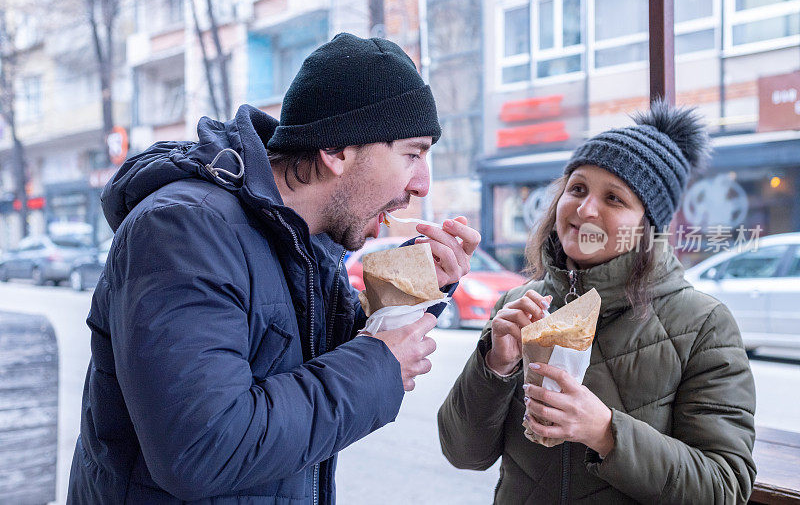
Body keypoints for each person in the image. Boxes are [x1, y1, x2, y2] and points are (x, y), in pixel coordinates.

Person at [67, 33, 480, 504]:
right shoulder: (184, 231)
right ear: (338, 150)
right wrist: (380, 365)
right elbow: (202, 449)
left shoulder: (301, 240)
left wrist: (418, 288)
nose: (423, 185)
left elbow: (303, 369)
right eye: (413, 153)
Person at [437, 101, 756, 504]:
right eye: (578, 189)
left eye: (615, 199)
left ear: (647, 225)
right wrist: (495, 366)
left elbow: (723, 488)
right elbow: (462, 453)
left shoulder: (703, 324)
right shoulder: (519, 305)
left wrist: (605, 432)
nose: (585, 209)